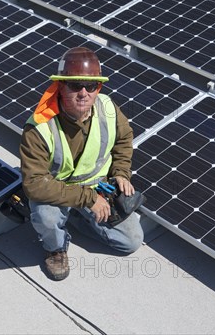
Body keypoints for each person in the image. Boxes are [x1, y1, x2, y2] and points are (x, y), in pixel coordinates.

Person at [19, 47, 143, 281]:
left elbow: (124, 138)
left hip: (98, 184)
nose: (84, 93)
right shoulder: (38, 127)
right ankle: (55, 248)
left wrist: (121, 172)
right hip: (56, 187)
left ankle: (76, 218)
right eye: (75, 85)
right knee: (46, 215)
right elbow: (34, 184)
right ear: (60, 86)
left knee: (131, 242)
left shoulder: (107, 107)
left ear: (99, 88)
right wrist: (88, 199)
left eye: (92, 86)